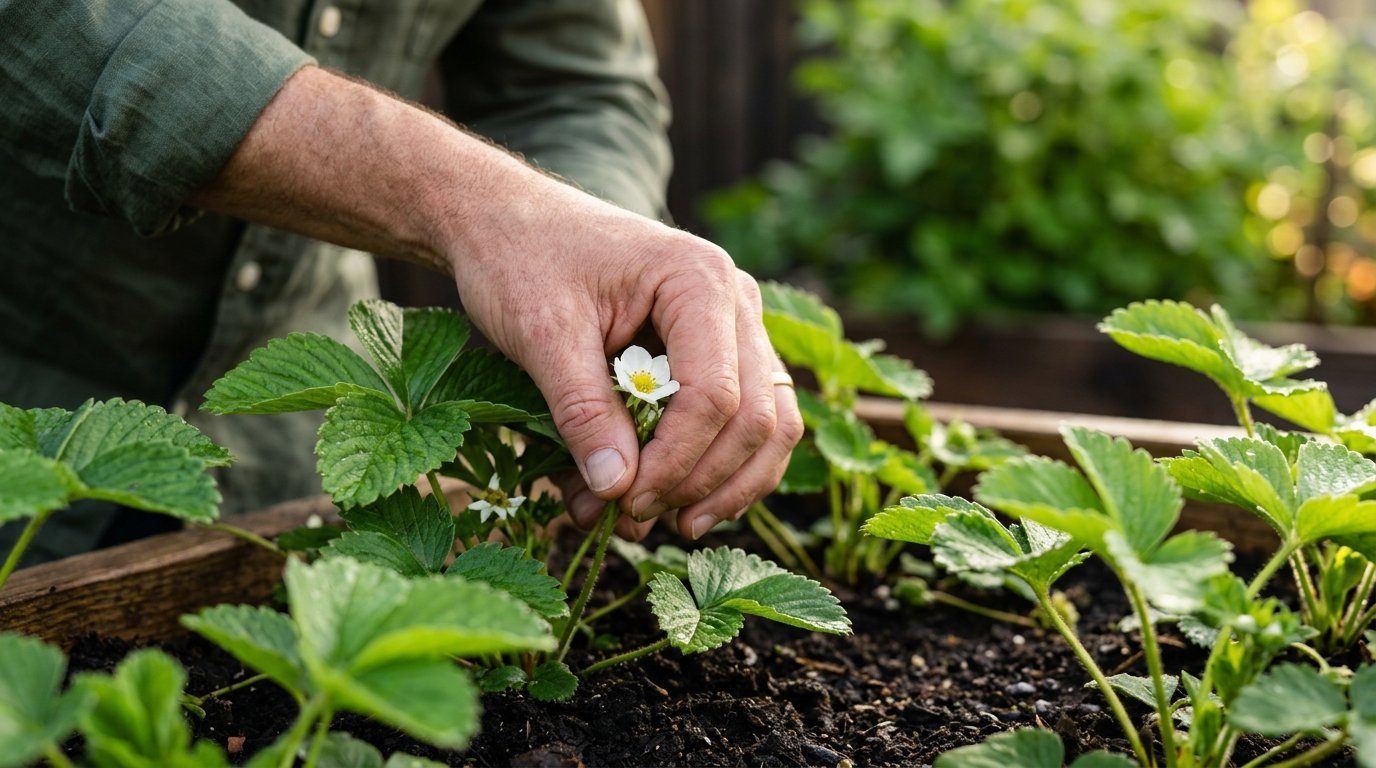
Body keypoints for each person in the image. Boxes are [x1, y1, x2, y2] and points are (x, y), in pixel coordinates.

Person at [0, 0, 802, 563]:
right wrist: (478, 205)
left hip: (288, 470)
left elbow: (573, 86)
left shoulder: (367, 501)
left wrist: (603, 297)